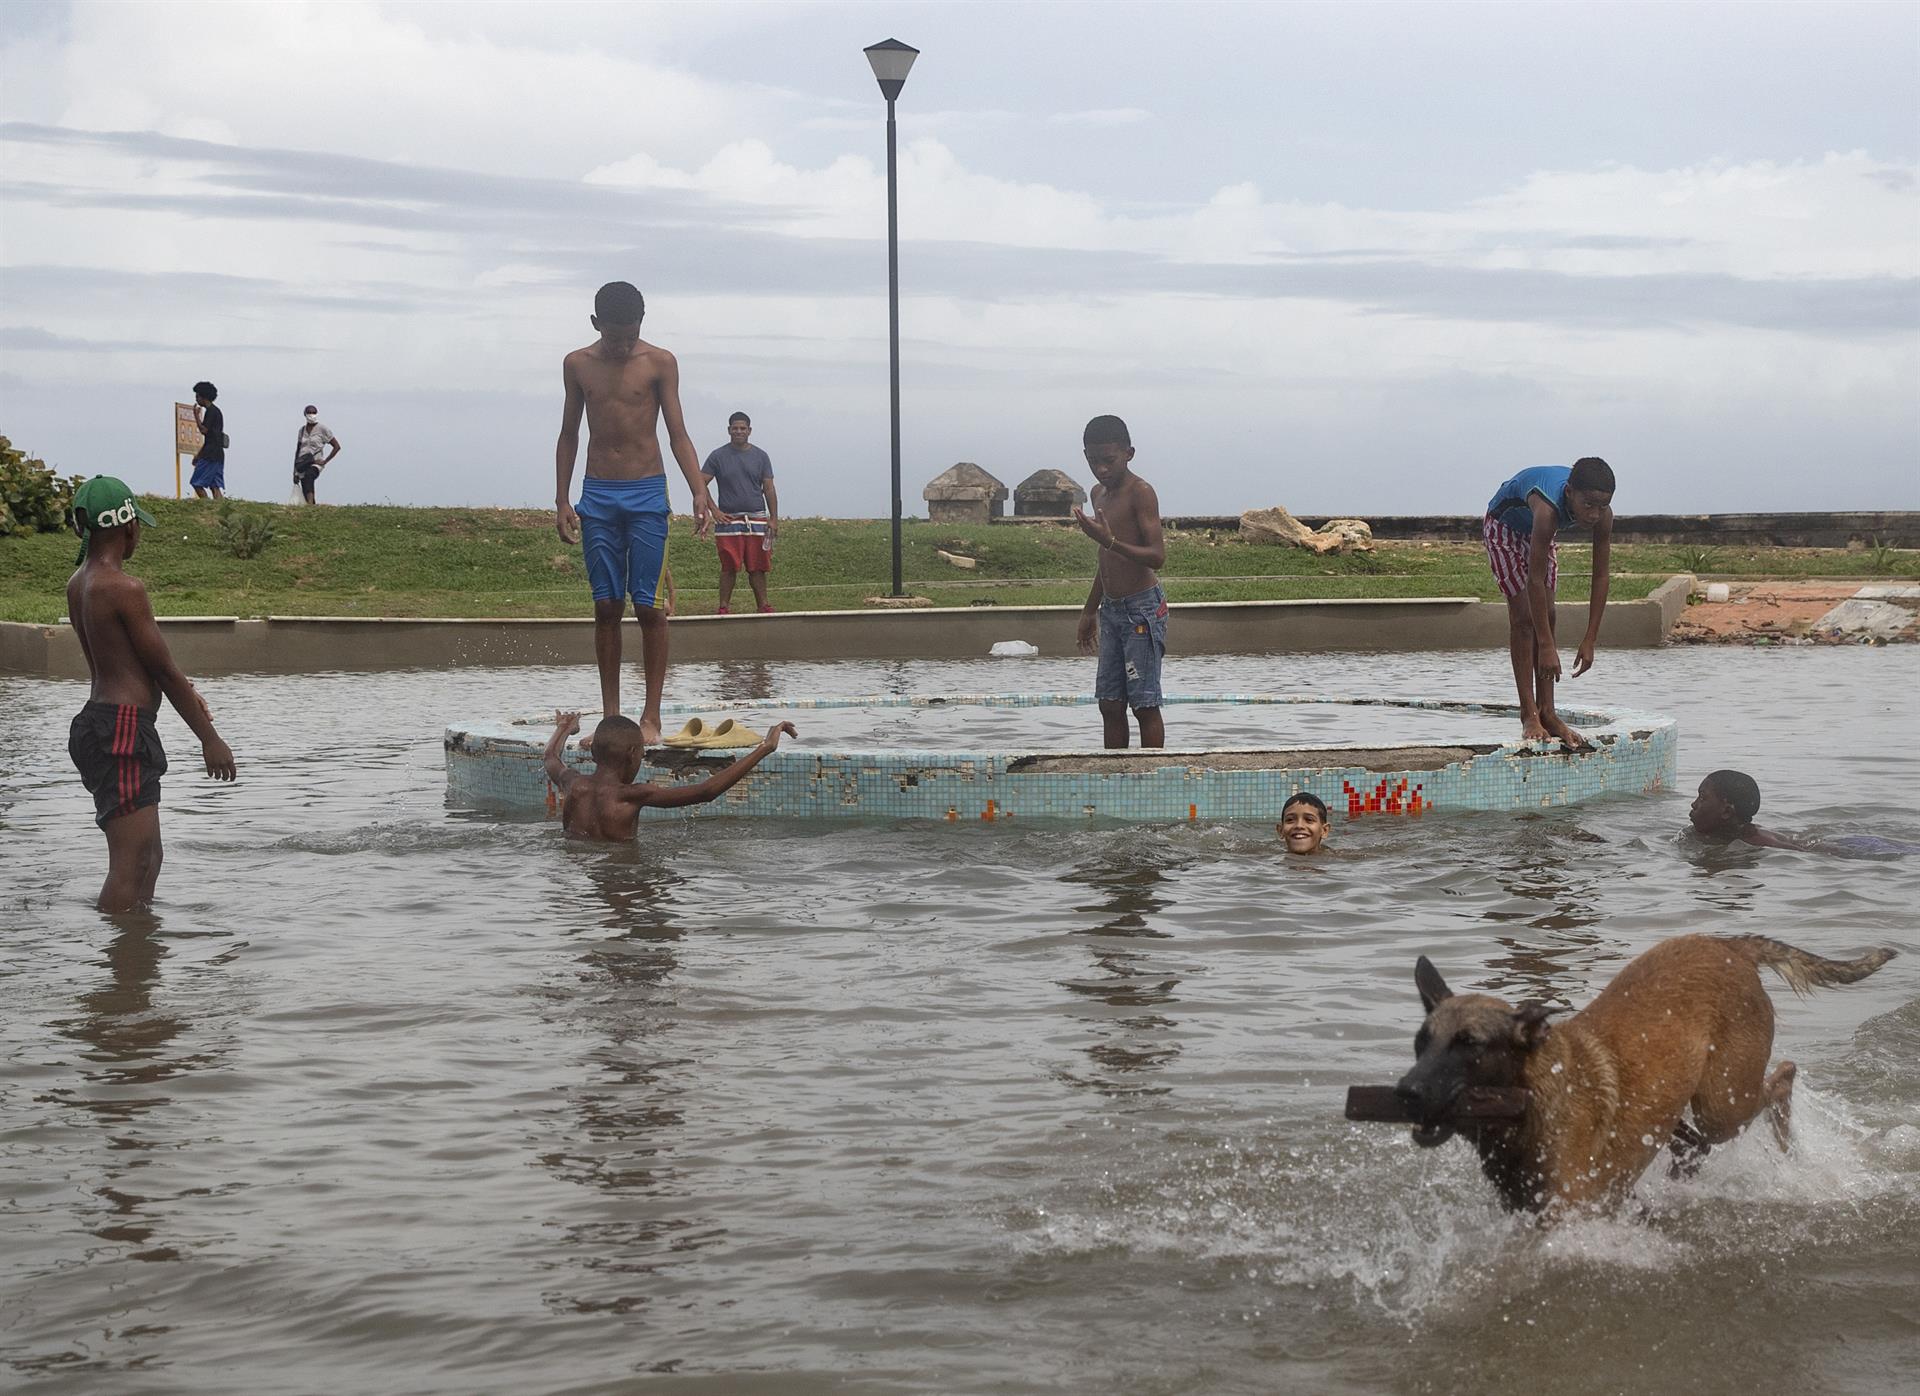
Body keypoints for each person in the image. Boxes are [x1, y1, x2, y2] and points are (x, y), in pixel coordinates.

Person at [65, 476, 238, 912]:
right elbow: (161, 668)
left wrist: (182, 690)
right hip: (120, 732)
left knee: (149, 858)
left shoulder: (79, 582)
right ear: (127, 529)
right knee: (131, 863)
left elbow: (122, 661)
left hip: (101, 724)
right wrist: (209, 739)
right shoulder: (124, 588)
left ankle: (137, 961)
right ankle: (117, 973)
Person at [554, 281, 715, 744]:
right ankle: (611, 720)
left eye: (631, 335)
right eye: (614, 336)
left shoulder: (659, 362)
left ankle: (651, 718)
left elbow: (677, 433)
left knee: (648, 606)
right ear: (595, 324)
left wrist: (698, 491)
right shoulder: (577, 364)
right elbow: (569, 434)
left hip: (647, 493)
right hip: (598, 494)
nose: (623, 345)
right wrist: (563, 498)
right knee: (606, 604)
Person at [1483, 457, 1615, 749]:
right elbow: (1534, 580)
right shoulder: (1547, 510)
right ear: (1569, 493)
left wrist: (1590, 639)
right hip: (1503, 529)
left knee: (1549, 614)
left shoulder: (1603, 516)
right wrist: (1546, 646)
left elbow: (1601, 576)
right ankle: (1529, 714)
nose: (1594, 514)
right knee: (1523, 619)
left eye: (1602, 506)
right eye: (1588, 505)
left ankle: (1548, 712)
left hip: (1537, 537)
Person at [542, 710, 796, 841]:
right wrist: (764, 748)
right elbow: (706, 792)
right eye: (642, 753)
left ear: (594, 751)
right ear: (632, 754)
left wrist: (564, 727)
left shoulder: (573, 783)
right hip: (624, 875)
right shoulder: (632, 795)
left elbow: (550, 757)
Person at [1073, 414, 1167, 748]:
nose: (1100, 469)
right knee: (1110, 703)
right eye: (1092, 461)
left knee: (1144, 703)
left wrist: (1110, 540)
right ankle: (1116, 777)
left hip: (1141, 610)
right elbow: (1106, 559)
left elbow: (1156, 556)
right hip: (1111, 610)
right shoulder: (1098, 493)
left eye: (1108, 461)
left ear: (1129, 453)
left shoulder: (1140, 492)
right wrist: (1090, 611)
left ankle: (1153, 780)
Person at [1690, 769, 1920, 858]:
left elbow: (1803, 853)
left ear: (1727, 811)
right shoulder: (1738, 833)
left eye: (1702, 797)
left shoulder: (1754, 839)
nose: (1693, 804)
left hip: (1855, 847)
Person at [701, 411, 779, 614]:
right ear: (729, 430)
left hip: (756, 518)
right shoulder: (717, 456)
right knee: (729, 566)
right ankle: (724, 607)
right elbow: (700, 482)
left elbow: (769, 488)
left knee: (758, 566)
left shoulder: (761, 456)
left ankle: (763, 605)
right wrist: (714, 510)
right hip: (729, 520)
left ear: (749, 431)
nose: (738, 431)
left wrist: (773, 518)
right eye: (735, 428)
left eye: (742, 428)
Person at [292, 404, 342, 504]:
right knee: (305, 487)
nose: (311, 415)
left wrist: (325, 461)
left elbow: (336, 446)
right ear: (305, 415)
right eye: (309, 413)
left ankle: (310, 504)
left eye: (314, 412)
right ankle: (311, 508)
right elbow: (298, 450)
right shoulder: (302, 431)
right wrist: (295, 471)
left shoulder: (322, 429)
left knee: (309, 476)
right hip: (303, 463)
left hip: (316, 462)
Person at [189, 381, 226, 500]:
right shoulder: (217, 411)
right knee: (214, 485)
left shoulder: (211, 411)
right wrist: (199, 454)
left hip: (210, 454)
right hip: (218, 453)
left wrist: (196, 416)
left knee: (196, 483)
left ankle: (206, 505)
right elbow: (211, 438)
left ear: (203, 397)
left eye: (197, 396)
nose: (196, 400)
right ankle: (219, 509)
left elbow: (204, 430)